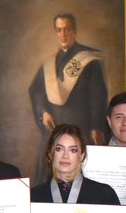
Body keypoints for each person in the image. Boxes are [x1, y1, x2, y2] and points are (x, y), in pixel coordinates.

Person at [28, 13, 108, 182]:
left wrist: (96, 127)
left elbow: (98, 96)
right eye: (59, 30)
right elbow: (35, 91)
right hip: (54, 131)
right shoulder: (50, 63)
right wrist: (43, 112)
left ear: (75, 31)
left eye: (67, 29)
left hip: (82, 130)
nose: (63, 34)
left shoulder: (89, 61)